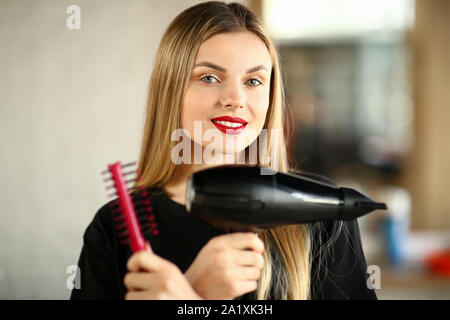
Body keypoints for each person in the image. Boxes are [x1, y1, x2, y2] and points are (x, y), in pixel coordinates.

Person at [70, 1, 377, 300]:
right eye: (209, 77)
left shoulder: (325, 218)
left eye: (254, 80)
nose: (234, 99)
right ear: (171, 88)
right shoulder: (113, 229)